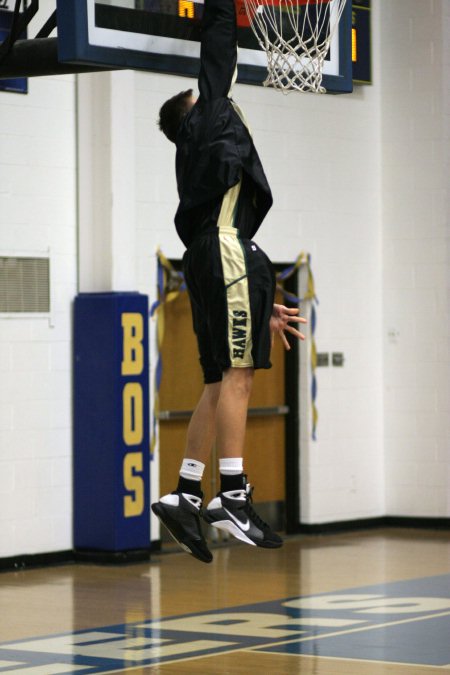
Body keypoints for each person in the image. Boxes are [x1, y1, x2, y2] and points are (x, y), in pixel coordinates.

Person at [152, 0, 307, 563]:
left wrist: (258, 300)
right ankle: (232, 497)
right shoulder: (208, 117)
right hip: (225, 254)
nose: (222, 97)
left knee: (219, 380)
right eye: (210, 96)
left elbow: (229, 260)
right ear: (196, 116)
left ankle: (186, 491)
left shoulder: (198, 161)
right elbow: (220, 48)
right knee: (238, 378)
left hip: (212, 257)